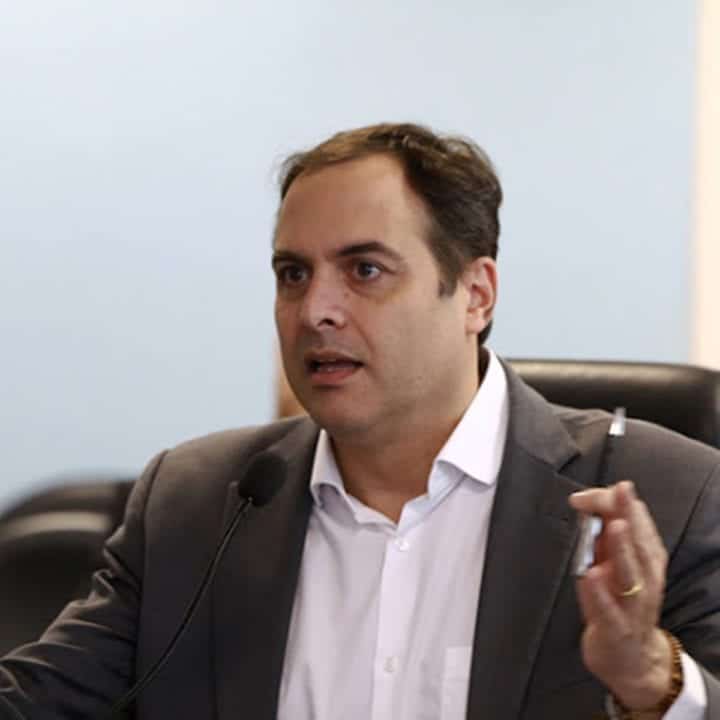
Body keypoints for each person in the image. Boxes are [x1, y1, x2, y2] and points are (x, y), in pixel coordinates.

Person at [1, 123, 719, 719]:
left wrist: (651, 680)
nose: (316, 310)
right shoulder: (196, 502)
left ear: (475, 294)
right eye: (293, 274)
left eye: (364, 270)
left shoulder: (669, 496)